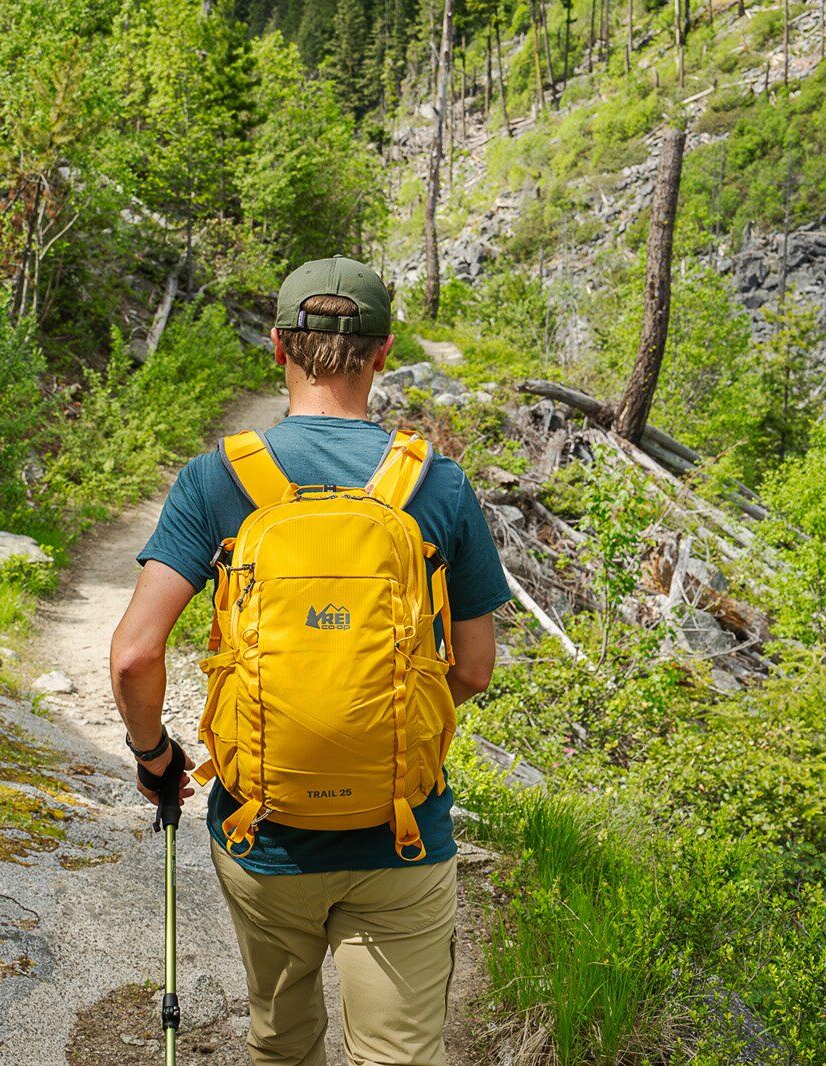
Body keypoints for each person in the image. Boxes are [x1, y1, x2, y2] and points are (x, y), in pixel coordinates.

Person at [108, 256, 510, 1066]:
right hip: (402, 838)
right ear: (384, 351)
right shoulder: (439, 486)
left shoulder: (217, 479)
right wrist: (381, 718)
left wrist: (156, 756)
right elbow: (471, 671)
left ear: (277, 346)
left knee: (282, 1042)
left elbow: (133, 656)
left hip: (263, 838)